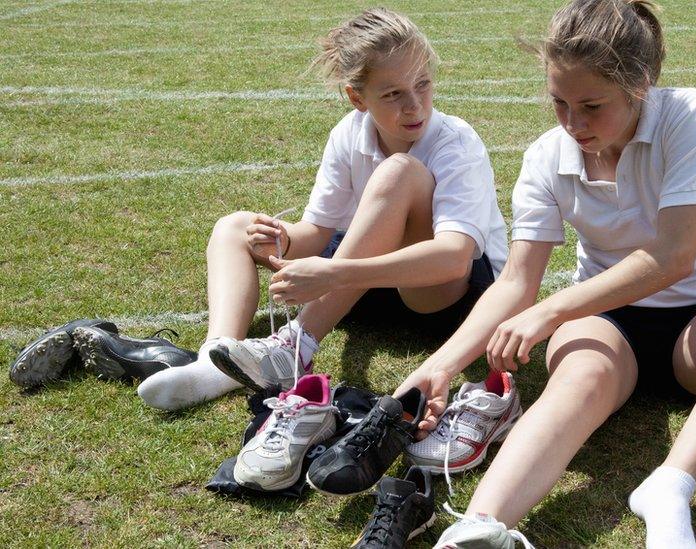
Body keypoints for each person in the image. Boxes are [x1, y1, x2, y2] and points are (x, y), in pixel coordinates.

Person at [395, 1, 696, 547]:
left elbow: (674, 255)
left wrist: (551, 310)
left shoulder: (693, 116)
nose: (573, 123)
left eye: (592, 105)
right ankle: (479, 527)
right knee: (579, 378)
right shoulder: (545, 157)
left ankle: (671, 485)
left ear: (641, 85)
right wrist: (442, 366)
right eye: (559, 102)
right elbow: (516, 281)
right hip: (603, 323)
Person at [137, 7, 507, 411]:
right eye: (393, 94)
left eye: (423, 84)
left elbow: (454, 260)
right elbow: (317, 231)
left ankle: (296, 346)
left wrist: (333, 272)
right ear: (356, 97)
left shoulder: (455, 142)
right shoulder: (349, 132)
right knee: (234, 228)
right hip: (361, 287)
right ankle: (216, 360)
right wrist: (282, 240)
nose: (415, 106)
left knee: (399, 172)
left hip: (441, 297)